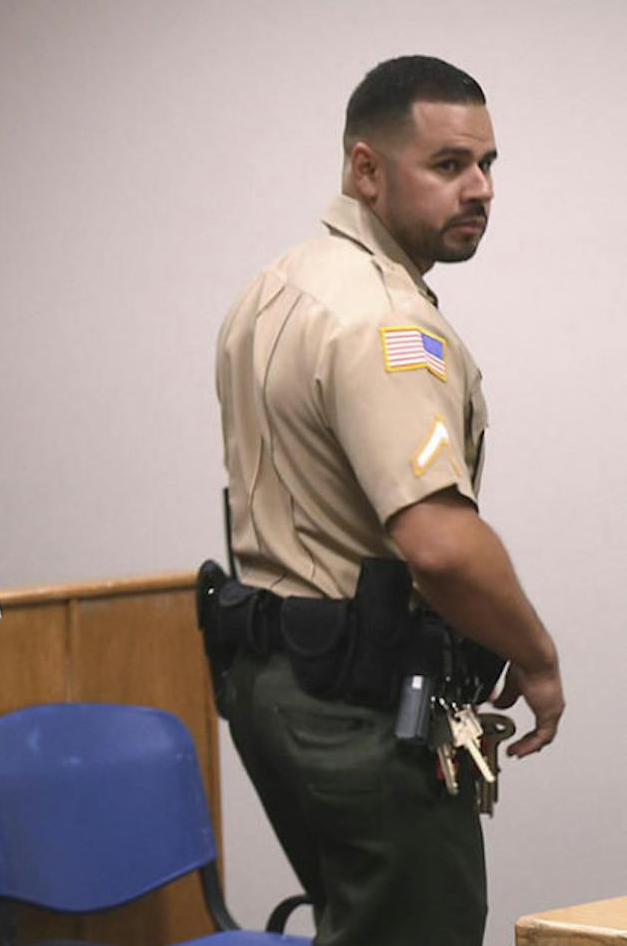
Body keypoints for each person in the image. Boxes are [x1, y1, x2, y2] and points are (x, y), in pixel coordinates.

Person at [212, 55, 564, 945]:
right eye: (448, 166)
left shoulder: (275, 287)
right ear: (365, 169)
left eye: (487, 165)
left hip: (275, 684)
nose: (479, 188)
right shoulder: (384, 319)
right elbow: (439, 541)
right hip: (358, 705)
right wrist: (536, 655)